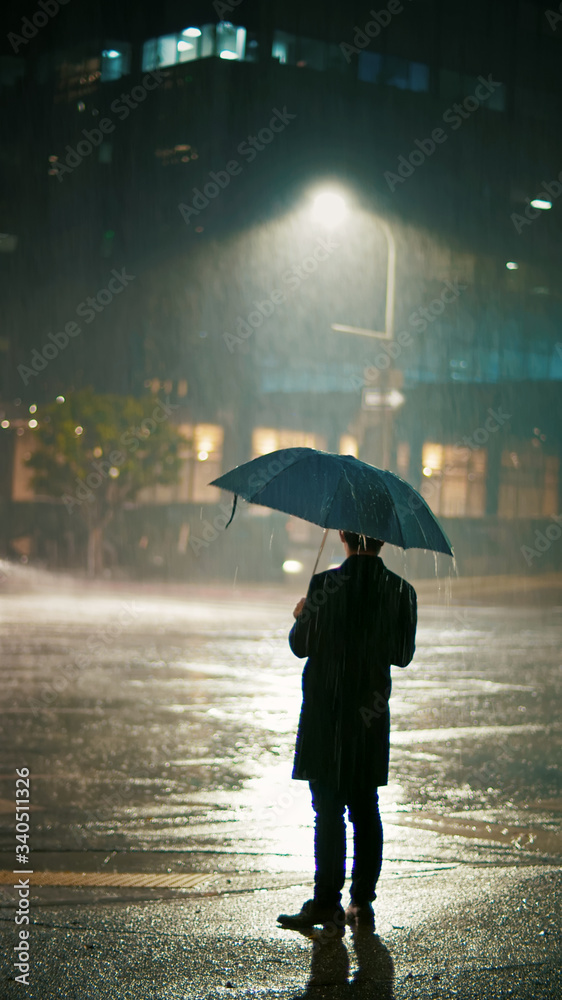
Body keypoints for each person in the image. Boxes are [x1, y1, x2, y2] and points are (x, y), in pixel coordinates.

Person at [277, 530, 417, 931]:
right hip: (369, 716)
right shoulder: (402, 592)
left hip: (326, 712)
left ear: (342, 534)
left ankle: (326, 901)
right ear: (383, 540)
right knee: (365, 806)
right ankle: (362, 902)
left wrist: (303, 615)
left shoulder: (326, 584)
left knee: (328, 811)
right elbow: (402, 656)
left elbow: (301, 646)